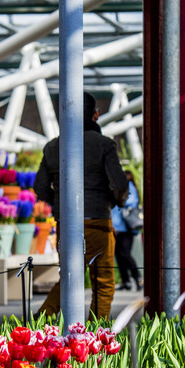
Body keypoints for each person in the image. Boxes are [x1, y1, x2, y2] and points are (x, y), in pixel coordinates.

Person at [34, 92, 128, 321]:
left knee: (69, 278)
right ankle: (97, 334)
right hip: (98, 222)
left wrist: (60, 204)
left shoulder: (52, 147)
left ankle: (41, 322)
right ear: (95, 115)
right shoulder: (104, 145)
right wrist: (116, 201)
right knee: (103, 282)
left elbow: (40, 186)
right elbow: (119, 184)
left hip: (66, 224)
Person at [111, 171, 143, 291]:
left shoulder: (130, 187)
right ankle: (126, 281)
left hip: (126, 227)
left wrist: (118, 197)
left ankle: (138, 278)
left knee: (125, 254)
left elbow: (131, 202)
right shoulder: (118, 188)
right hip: (116, 226)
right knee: (118, 255)